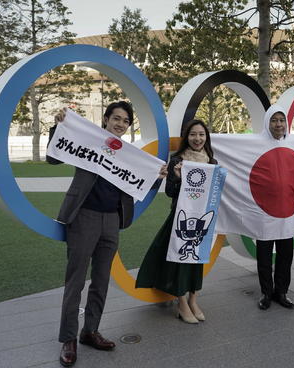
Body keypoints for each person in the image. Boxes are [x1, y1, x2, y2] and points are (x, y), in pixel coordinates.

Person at [47, 101, 167, 367]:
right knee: (76, 280)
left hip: (113, 219)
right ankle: (68, 339)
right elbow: (53, 157)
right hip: (84, 216)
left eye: (125, 121)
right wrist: (59, 126)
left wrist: (157, 175)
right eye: (116, 118)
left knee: (101, 280)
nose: (120, 124)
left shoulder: (129, 153)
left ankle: (90, 330)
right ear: (106, 119)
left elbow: (141, 182)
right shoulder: (89, 141)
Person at [136, 119, 217, 324]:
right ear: (186, 137)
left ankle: (193, 299)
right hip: (181, 217)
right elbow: (170, 192)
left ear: (206, 137)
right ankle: (181, 302)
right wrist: (179, 177)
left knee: (197, 259)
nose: (197, 139)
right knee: (180, 258)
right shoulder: (177, 160)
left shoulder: (211, 162)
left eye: (201, 134)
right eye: (193, 134)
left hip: (201, 220)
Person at [256, 107, 294, 310]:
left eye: (282, 120)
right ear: (267, 123)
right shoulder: (256, 145)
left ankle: (281, 292)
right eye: (274, 120)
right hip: (264, 211)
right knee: (263, 256)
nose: (279, 124)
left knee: (285, 255)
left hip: (286, 211)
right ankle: (266, 292)